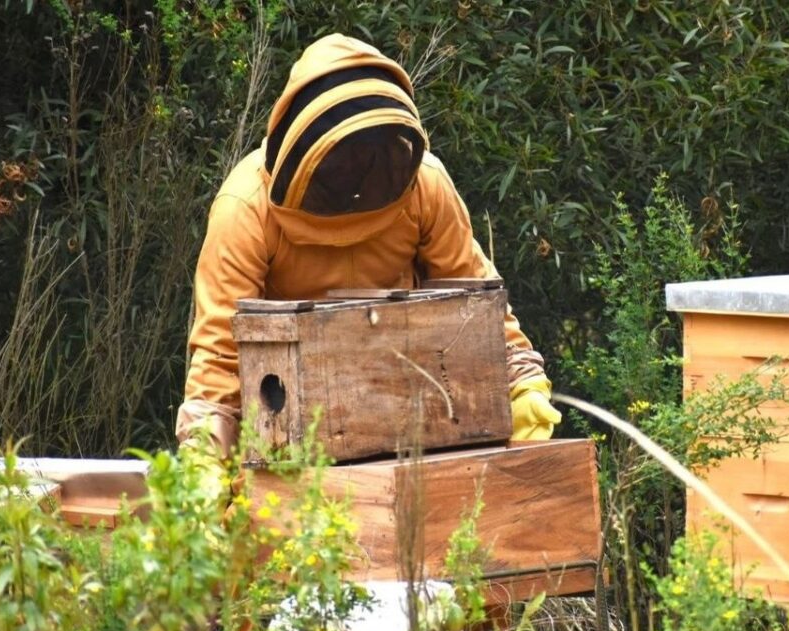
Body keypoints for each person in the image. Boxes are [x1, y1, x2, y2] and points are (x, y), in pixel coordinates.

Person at [175, 33, 561, 457]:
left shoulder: (425, 185)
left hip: (414, 421)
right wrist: (206, 459)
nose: (354, 169)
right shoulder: (245, 209)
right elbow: (219, 356)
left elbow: (477, 308)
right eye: (341, 157)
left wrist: (523, 388)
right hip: (288, 437)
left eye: (367, 153)